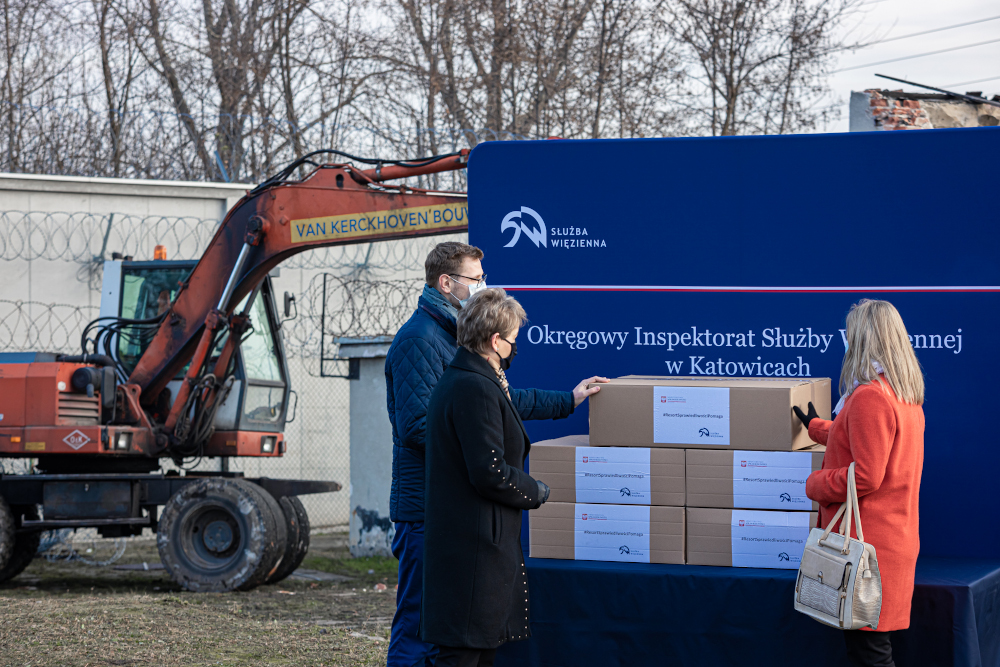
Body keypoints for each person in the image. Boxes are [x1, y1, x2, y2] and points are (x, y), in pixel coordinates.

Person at [384, 242, 606, 667]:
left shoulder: (452, 339)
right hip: (427, 507)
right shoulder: (420, 339)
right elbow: (418, 427)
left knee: (447, 631)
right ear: (446, 283)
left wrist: (567, 400)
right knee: (420, 626)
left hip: (454, 504)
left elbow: (494, 404)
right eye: (475, 278)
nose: (482, 285)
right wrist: (475, 448)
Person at [795, 299, 924, 667]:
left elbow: (866, 474)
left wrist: (815, 484)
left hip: (868, 548)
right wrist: (819, 428)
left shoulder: (869, 396)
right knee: (871, 649)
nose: (846, 342)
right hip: (889, 542)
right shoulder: (901, 395)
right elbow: (864, 438)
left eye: (850, 335)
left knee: (870, 654)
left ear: (862, 339)